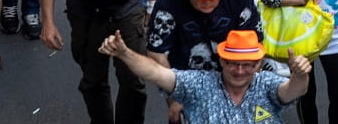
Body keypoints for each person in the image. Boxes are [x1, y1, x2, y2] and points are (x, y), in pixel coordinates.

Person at [101, 26, 312, 124]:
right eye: (233, 64)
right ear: (221, 61)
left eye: (247, 65)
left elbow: (294, 90)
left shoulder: (267, 84)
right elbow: (155, 73)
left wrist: (300, 74)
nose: (239, 71)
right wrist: (125, 53)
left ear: (258, 64)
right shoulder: (198, 84)